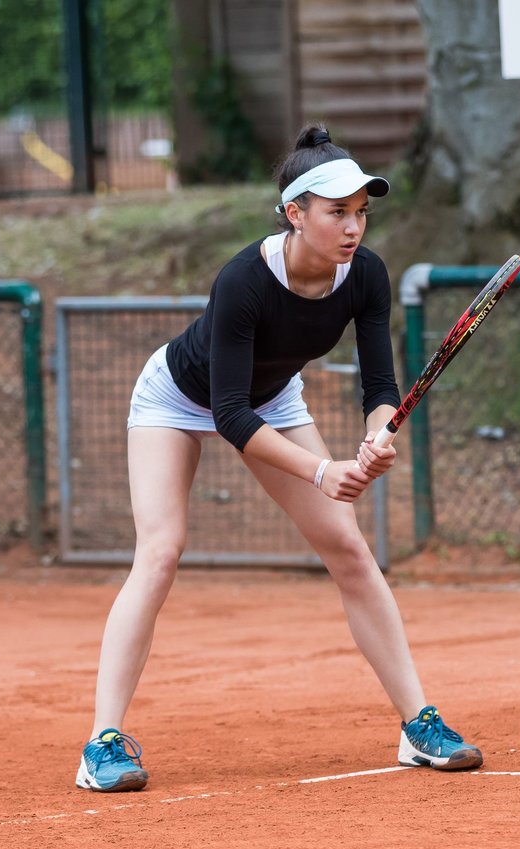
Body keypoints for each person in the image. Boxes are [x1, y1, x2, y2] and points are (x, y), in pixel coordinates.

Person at [76, 125, 482, 793]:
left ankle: (419, 726)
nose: (353, 227)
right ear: (296, 214)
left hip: (273, 397)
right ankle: (103, 742)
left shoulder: (366, 275)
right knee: (161, 550)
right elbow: (230, 415)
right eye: (337, 212)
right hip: (179, 398)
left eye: (361, 212)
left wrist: (380, 433)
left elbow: (379, 388)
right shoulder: (244, 280)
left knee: (349, 549)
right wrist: (323, 471)